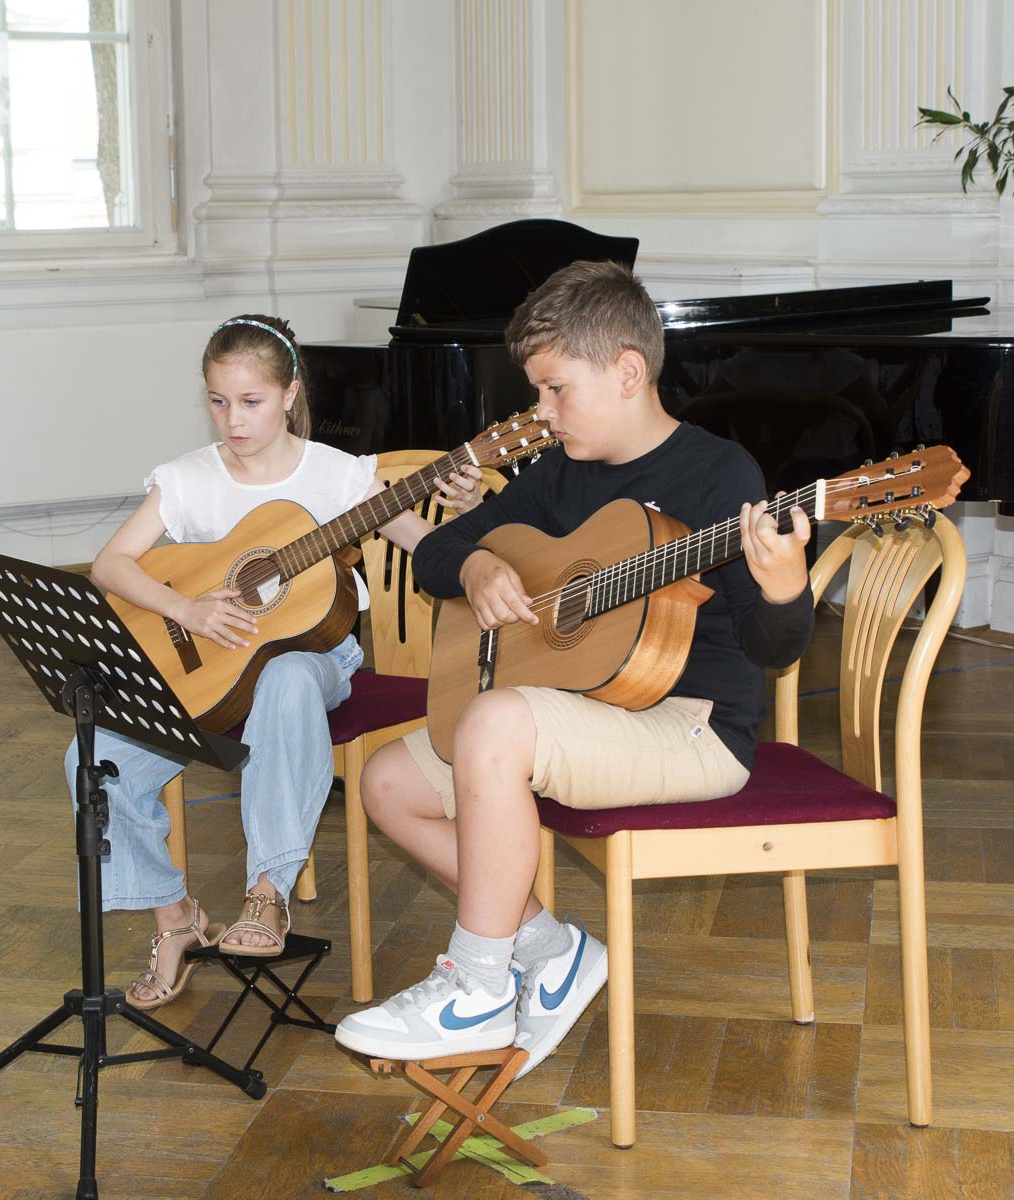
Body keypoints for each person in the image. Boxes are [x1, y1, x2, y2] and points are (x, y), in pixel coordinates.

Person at [334, 262, 816, 1075]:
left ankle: (477, 987)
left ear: (627, 372)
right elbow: (442, 551)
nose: (542, 413)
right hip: (588, 708)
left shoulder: (718, 475)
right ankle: (550, 953)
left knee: (491, 725)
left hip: (692, 727)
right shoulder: (561, 472)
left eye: (556, 389)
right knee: (389, 783)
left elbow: (774, 649)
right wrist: (480, 565)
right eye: (539, 392)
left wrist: (785, 585)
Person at [68, 314, 482, 1011]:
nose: (233, 419)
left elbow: (430, 550)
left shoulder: (337, 474)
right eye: (218, 400)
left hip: (314, 662)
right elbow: (110, 564)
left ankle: (268, 892)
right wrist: (184, 609)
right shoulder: (189, 478)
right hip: (212, 671)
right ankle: (176, 917)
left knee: (285, 677)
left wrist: (462, 512)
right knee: (91, 757)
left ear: (289, 394)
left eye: (251, 401)